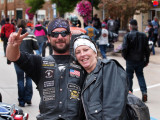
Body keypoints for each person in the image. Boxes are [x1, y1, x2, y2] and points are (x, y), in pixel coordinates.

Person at [6, 17, 85, 120]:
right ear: (48, 38)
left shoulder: (82, 63)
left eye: (64, 33)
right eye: (55, 34)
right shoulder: (40, 63)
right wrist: (13, 45)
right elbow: (14, 57)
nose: (60, 37)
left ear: (70, 36)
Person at [73, 35, 128, 120]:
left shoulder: (109, 68)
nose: (82, 54)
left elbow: (113, 110)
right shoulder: (83, 76)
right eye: (78, 52)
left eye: (86, 50)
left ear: (95, 52)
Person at [122, 19, 150, 102]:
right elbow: (147, 49)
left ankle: (130, 93)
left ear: (130, 26)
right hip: (140, 59)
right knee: (140, 76)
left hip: (130, 59)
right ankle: (144, 92)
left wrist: (125, 57)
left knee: (129, 77)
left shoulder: (127, 35)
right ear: (137, 26)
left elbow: (124, 48)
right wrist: (147, 60)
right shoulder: (143, 35)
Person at [14, 19, 39, 107]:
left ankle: (21, 101)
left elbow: (10, 48)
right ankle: (28, 99)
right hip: (29, 59)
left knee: (20, 80)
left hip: (17, 59)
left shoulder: (14, 35)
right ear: (25, 25)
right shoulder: (31, 35)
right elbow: (36, 47)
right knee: (28, 79)